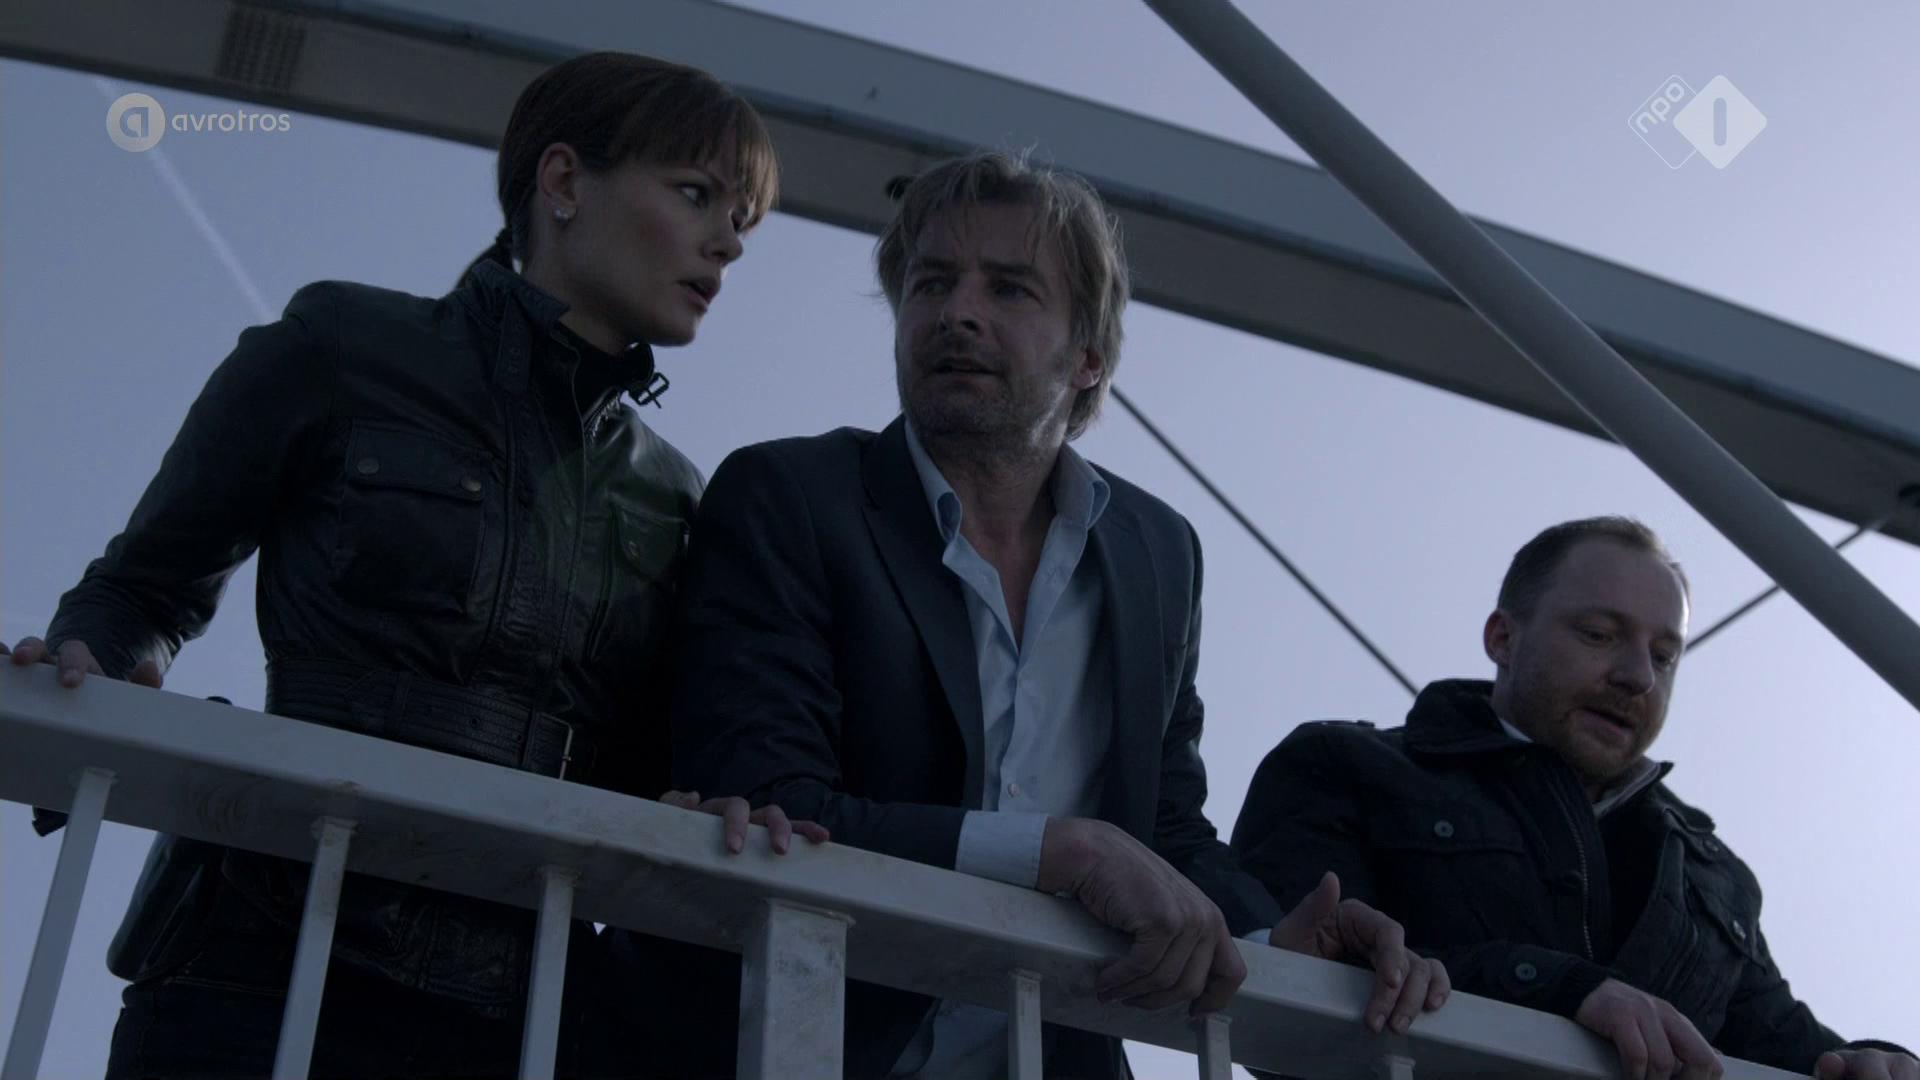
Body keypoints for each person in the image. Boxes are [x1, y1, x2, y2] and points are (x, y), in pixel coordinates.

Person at [7, 51, 823, 1079]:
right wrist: (88, 664)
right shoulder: (342, 346)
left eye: (741, 222)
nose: (727, 244)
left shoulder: (675, 494)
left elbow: (649, 765)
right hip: (259, 966)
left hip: (522, 1012)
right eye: (697, 195)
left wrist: (710, 807)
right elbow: (144, 587)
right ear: (563, 182)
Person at [667, 150, 1448, 1080]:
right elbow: (765, 798)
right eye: (931, 283)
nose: (956, 313)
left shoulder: (1159, 553)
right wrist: (1056, 852)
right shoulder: (791, 494)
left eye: (1009, 288)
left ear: (1088, 358)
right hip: (796, 1044)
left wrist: (1270, 938)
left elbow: (1164, 825)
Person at [1231, 516, 1917, 1080]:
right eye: (1599, 634)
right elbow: (1294, 984)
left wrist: (1875, 1060)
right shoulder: (1342, 766)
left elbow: (1784, 1045)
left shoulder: (1711, 874)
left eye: (1664, 655)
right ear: (1503, 637)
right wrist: (1563, 991)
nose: (1638, 676)